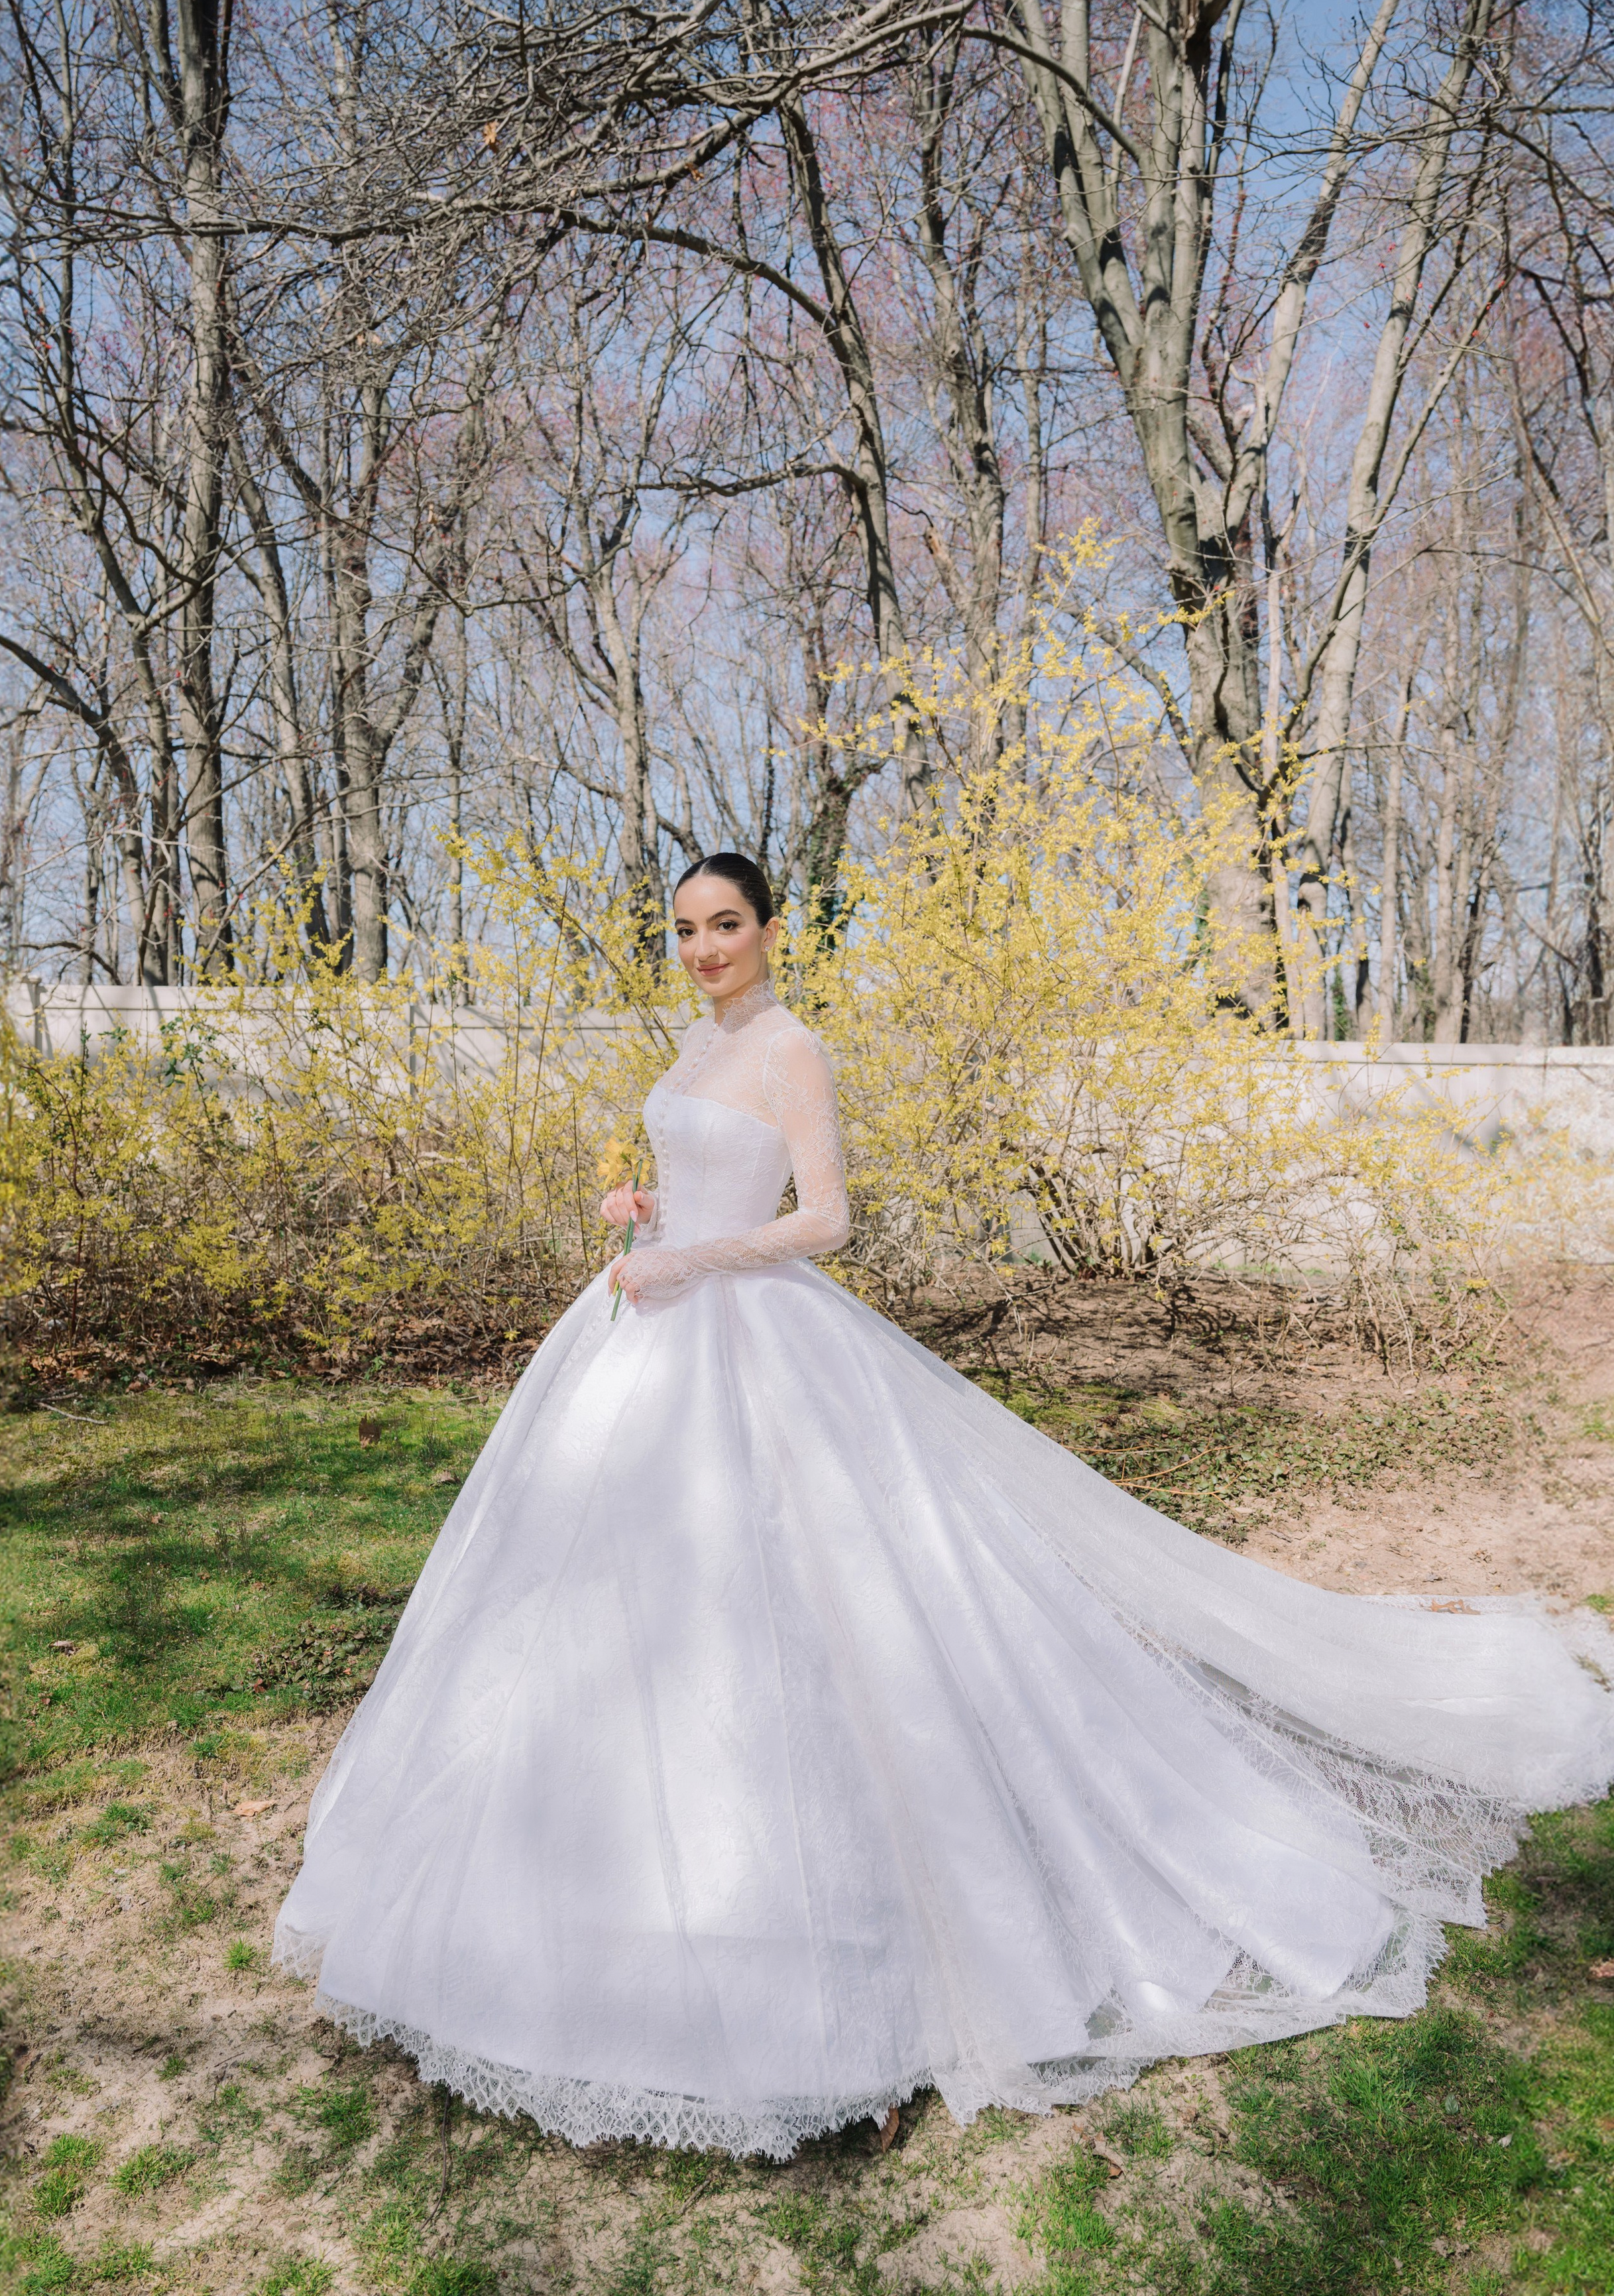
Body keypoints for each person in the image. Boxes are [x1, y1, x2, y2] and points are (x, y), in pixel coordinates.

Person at [274, 851, 1614, 2161]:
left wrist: (689, 1252)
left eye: (724, 925)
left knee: (803, 1620)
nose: (702, 949)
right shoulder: (690, 1048)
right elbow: (692, 1170)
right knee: (585, 1615)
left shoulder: (789, 1046)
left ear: (770, 928)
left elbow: (826, 1221)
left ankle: (837, 1949)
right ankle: (557, 1913)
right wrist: (640, 1206)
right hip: (647, 1343)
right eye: (684, 929)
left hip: (748, 1335)